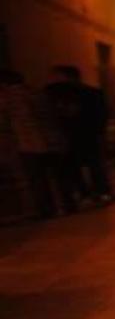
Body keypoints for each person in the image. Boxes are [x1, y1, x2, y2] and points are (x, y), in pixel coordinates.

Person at [0, 69, 76, 218]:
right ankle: (69, 205)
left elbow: (4, 123)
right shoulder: (39, 93)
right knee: (60, 177)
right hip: (53, 141)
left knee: (37, 180)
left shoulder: (8, 99)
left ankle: (46, 210)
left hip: (28, 144)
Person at [45, 65, 114, 204]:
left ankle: (95, 193)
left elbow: (102, 114)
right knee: (81, 166)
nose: (54, 80)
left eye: (57, 76)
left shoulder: (88, 93)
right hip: (76, 136)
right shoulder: (55, 94)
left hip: (84, 135)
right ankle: (93, 193)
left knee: (91, 165)